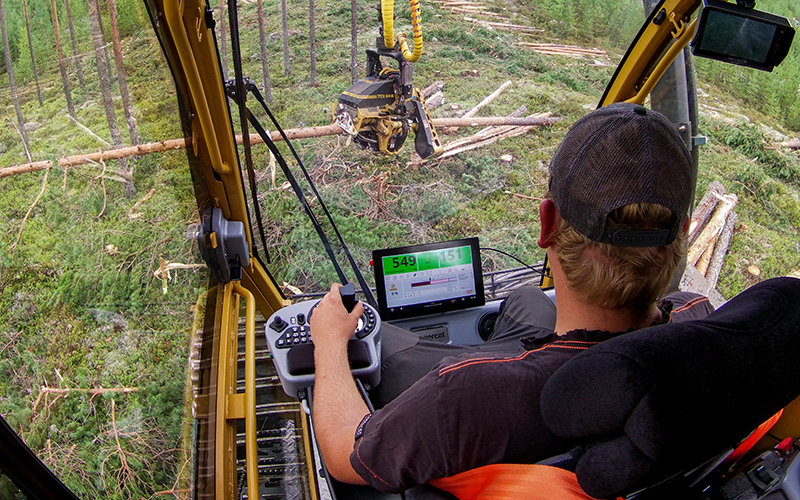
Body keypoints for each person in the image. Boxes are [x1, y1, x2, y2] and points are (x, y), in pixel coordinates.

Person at [308, 102, 715, 493]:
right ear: (682, 235)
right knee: (525, 296)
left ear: (548, 224)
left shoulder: (466, 395)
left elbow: (345, 456)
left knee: (388, 341)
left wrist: (329, 340)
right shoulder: (700, 322)